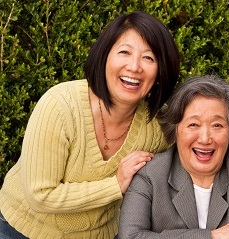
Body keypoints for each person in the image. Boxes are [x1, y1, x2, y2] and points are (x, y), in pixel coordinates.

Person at [0, 11, 179, 239]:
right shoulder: (61, 105)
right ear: (104, 57)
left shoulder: (156, 128)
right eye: (124, 52)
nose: (134, 66)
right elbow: (40, 194)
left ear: (161, 72)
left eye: (149, 58)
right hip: (22, 229)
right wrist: (115, 184)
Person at [118, 75, 229, 239]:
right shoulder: (150, 175)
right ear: (176, 130)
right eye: (193, 124)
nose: (205, 138)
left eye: (217, 125)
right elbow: (130, 236)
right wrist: (212, 236)